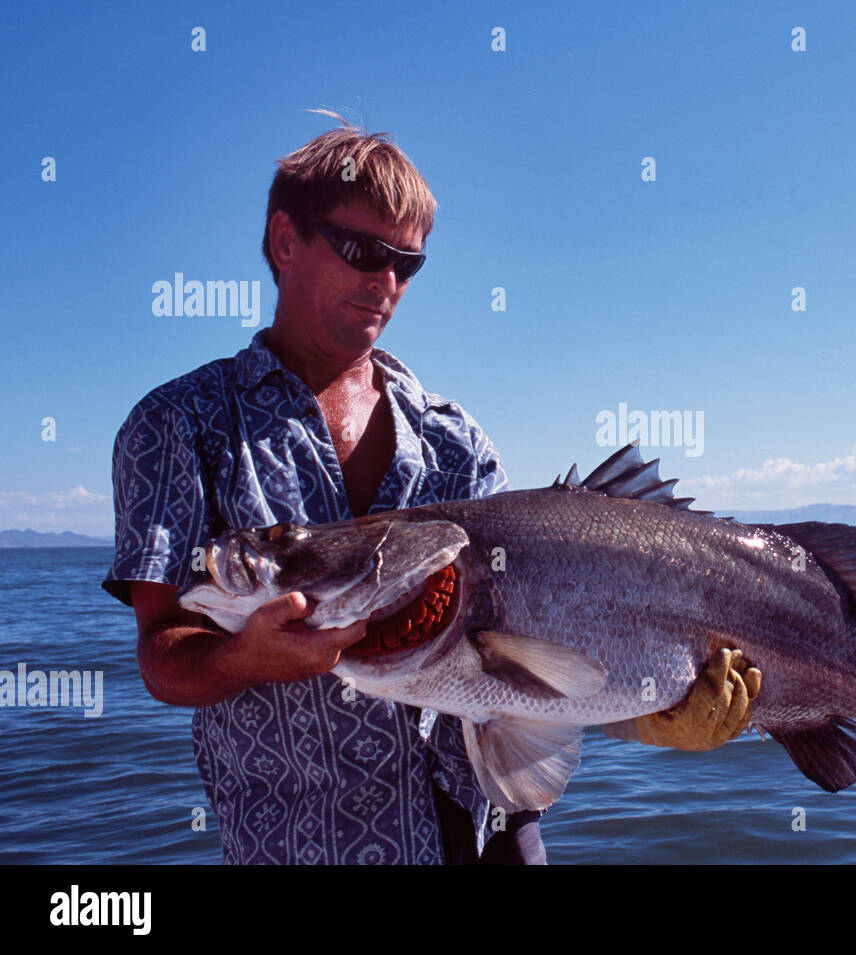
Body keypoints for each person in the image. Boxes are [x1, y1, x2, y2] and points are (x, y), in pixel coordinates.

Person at [103, 114, 759, 864]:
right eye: (363, 252)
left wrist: (649, 711)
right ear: (285, 242)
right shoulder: (176, 424)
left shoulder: (457, 440)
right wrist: (247, 658)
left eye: (407, 265)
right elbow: (162, 654)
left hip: (492, 840)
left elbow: (529, 652)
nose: (385, 283)